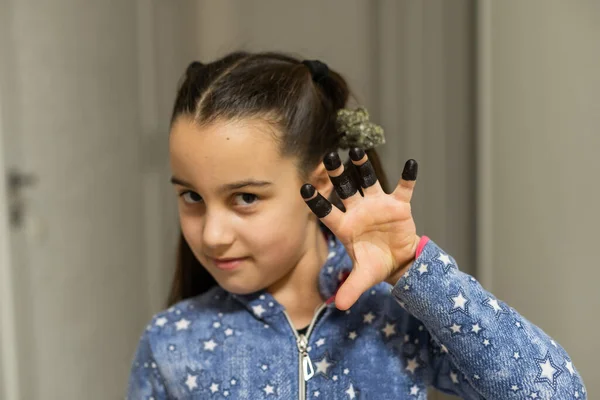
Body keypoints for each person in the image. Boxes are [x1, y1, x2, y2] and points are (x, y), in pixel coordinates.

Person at [127, 52, 586, 399]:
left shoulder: (394, 317)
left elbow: (556, 392)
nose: (211, 234)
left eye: (245, 198)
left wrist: (415, 271)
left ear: (320, 186)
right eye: (191, 197)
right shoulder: (172, 341)